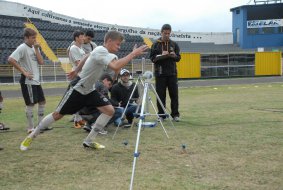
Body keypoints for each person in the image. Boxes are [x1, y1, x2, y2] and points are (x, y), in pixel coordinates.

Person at [19, 30, 148, 151]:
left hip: (90, 90)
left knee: (109, 111)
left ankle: (89, 141)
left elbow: (87, 56)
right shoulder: (100, 50)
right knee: (58, 115)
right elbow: (115, 65)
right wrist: (133, 54)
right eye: (118, 44)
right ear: (109, 40)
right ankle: (32, 136)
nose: (119, 47)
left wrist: (76, 70)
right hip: (78, 88)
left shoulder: (101, 52)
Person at [8, 28, 49, 133]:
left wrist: (36, 49)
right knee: (30, 104)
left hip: (36, 80)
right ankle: (30, 128)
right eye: (32, 38)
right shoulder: (22, 47)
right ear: (26, 38)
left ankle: (40, 126)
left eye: (35, 37)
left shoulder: (35, 47)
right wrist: (24, 72)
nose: (34, 40)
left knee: (42, 101)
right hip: (28, 81)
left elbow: (41, 62)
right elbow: (11, 59)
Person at [149, 24, 181, 122]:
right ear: (161, 32)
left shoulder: (174, 44)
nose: (167, 35)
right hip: (160, 74)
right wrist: (161, 55)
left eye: (168, 33)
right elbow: (152, 59)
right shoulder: (155, 44)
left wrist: (174, 55)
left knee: (174, 95)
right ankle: (162, 115)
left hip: (172, 74)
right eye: (165, 33)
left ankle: (175, 115)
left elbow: (178, 58)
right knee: (161, 96)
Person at [68, 30, 87, 128]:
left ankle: (78, 119)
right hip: (77, 75)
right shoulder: (74, 48)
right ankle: (76, 120)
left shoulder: (81, 48)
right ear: (76, 38)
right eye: (81, 36)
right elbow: (78, 63)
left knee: (81, 98)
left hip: (81, 75)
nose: (83, 38)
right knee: (77, 98)